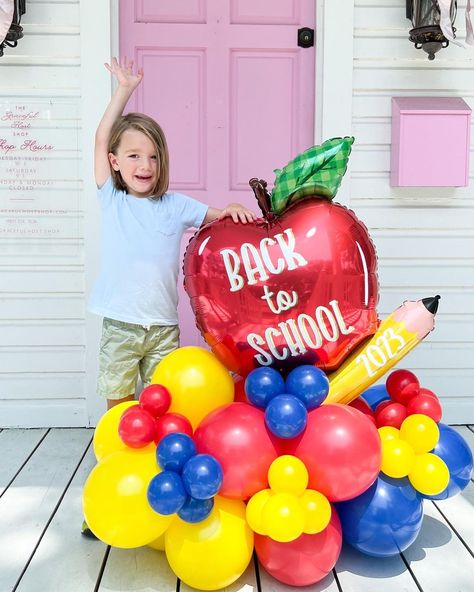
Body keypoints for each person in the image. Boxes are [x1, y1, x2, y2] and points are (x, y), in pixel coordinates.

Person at [81, 57, 256, 538]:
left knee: (164, 408)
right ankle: (114, 486)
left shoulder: (174, 205)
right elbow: (100, 137)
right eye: (133, 156)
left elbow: (219, 218)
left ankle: (162, 487)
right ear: (115, 162)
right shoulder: (111, 200)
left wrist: (236, 209)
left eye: (153, 157)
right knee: (120, 409)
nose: (145, 165)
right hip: (120, 324)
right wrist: (125, 91)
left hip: (161, 329)